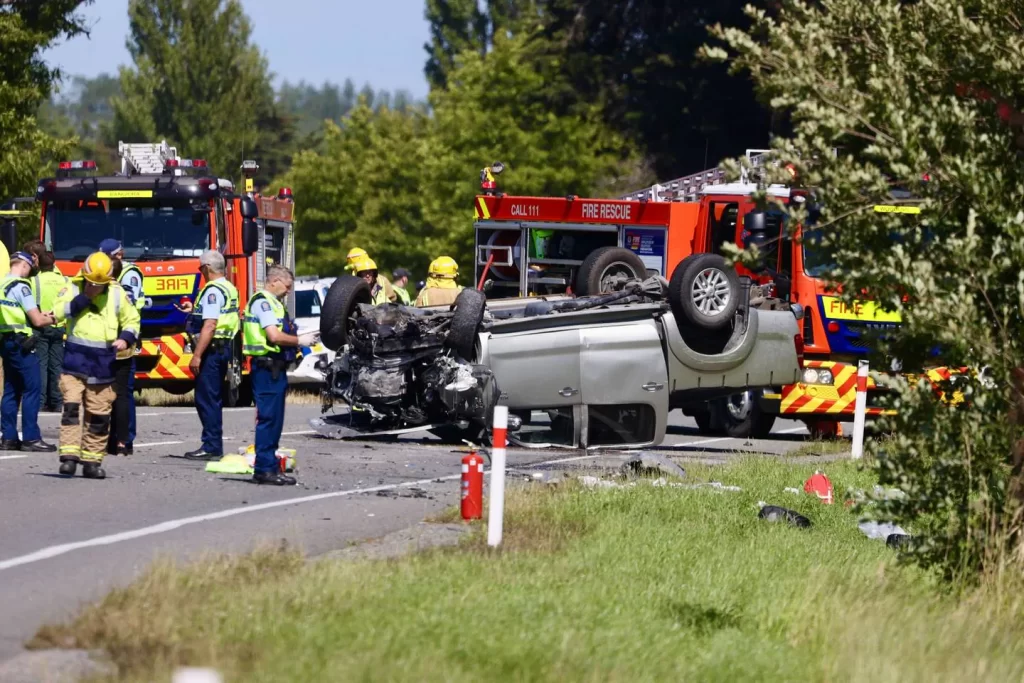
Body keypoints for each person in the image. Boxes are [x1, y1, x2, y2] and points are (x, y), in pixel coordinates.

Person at [53, 252, 139, 478]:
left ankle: (92, 460)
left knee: (99, 414)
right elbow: (59, 311)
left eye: (99, 284)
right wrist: (84, 297)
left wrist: (126, 338)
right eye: (92, 283)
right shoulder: (73, 287)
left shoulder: (117, 294)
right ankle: (69, 457)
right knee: (71, 408)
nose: (95, 287)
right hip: (75, 361)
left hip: (103, 364)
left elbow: (132, 319)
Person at [242, 264, 317, 485]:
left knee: (276, 420)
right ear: (274, 281)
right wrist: (299, 341)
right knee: (268, 419)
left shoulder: (274, 304)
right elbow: (273, 336)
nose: (289, 291)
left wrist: (302, 340)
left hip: (275, 368)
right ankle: (264, 469)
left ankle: (272, 466)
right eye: (287, 286)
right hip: (266, 368)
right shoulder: (262, 302)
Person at [183, 250, 240, 461]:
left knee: (206, 398)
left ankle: (212, 445)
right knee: (211, 397)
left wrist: (197, 355)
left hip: (212, 350)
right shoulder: (228, 287)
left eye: (200, 268)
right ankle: (212, 443)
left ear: (207, 268)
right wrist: (193, 308)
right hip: (223, 347)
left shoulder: (213, 290)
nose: (200, 272)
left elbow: (210, 324)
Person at [0, 251, 58, 451]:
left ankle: (8, 438)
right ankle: (31, 438)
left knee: (10, 390)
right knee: (32, 389)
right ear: (24, 265)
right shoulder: (21, 286)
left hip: (6, 341)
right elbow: (37, 321)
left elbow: (16, 312)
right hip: (21, 344)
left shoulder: (2, 284)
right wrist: (54, 318)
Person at [99, 239, 144, 452]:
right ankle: (112, 438)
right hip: (106, 341)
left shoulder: (129, 275)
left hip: (123, 340)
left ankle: (125, 439)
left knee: (123, 392)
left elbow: (129, 305)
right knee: (106, 392)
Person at [32, 251, 68, 413]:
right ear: (54, 263)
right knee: (57, 365)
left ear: (39, 263)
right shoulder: (65, 281)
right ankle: (57, 401)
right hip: (59, 325)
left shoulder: (35, 281)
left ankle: (40, 402)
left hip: (41, 325)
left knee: (41, 365)